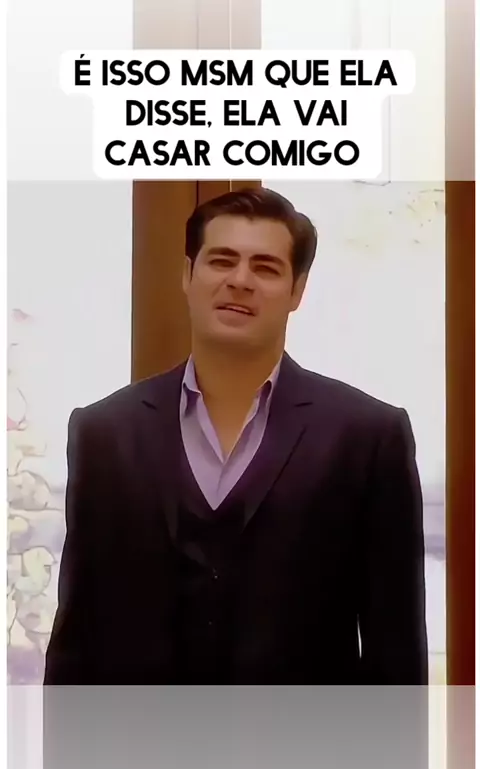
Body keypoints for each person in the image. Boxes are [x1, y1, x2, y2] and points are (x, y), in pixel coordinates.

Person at [44, 187, 428, 685]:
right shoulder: (104, 433)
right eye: (221, 261)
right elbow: (77, 635)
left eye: (265, 268)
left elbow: (395, 650)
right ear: (188, 275)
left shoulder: (368, 436)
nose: (240, 281)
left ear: (297, 291)